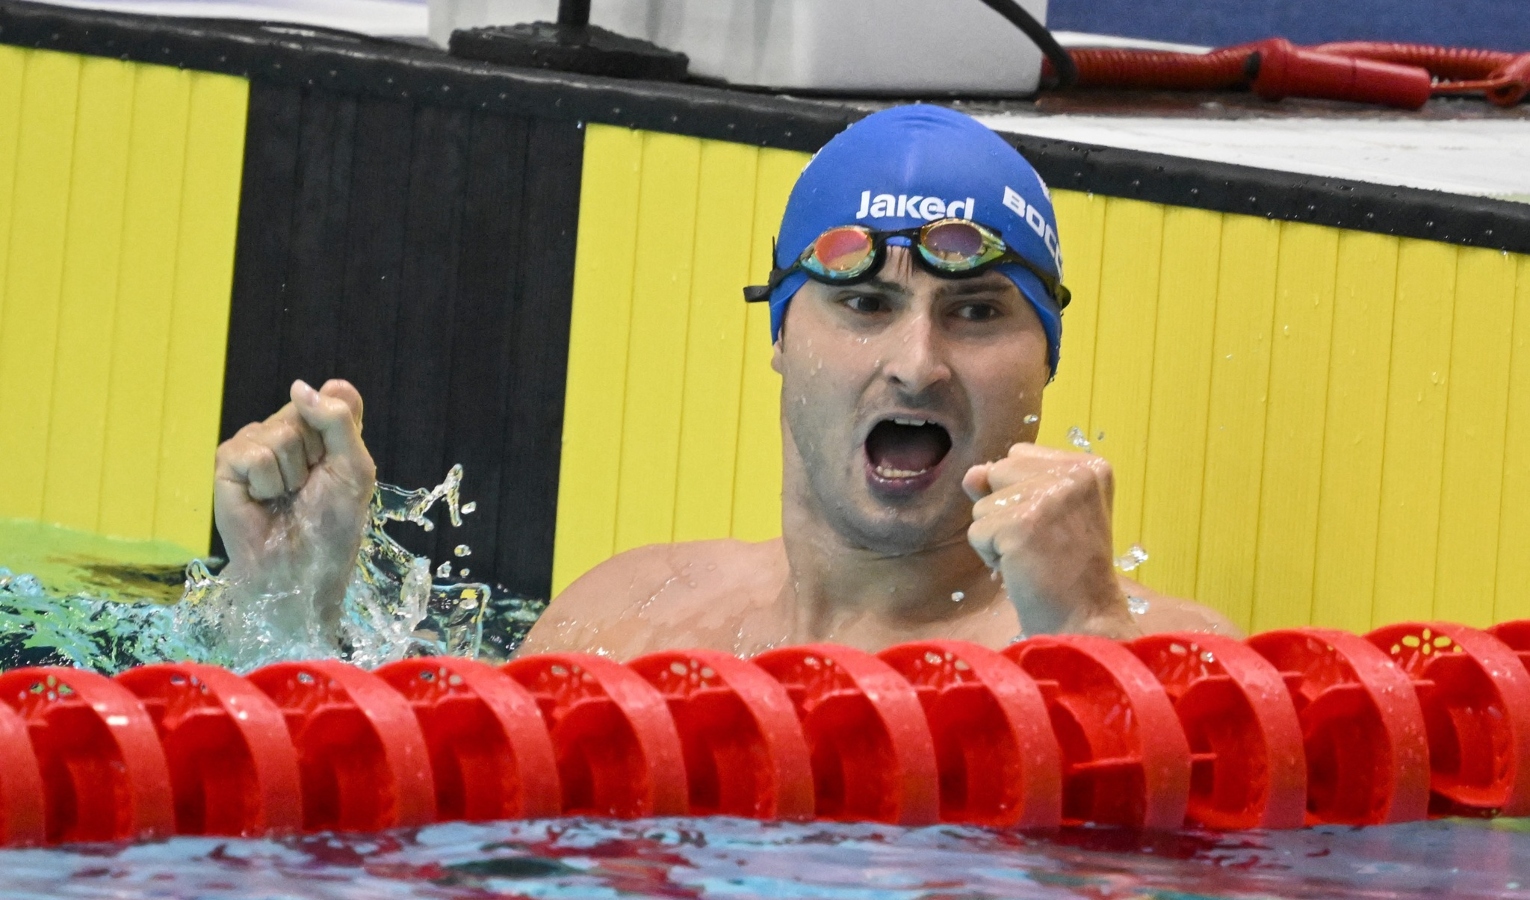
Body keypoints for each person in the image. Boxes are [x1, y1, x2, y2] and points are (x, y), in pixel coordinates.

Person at [213, 106, 1238, 660]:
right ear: (783, 337)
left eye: (976, 312)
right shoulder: (621, 617)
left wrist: (1090, 639)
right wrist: (288, 620)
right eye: (866, 305)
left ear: (1045, 355)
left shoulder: (1174, 662)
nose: (918, 362)